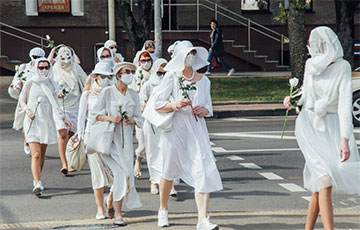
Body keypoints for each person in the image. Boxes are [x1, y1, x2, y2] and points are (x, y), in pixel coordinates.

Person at [283, 26, 360, 230]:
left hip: (331, 127)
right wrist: (293, 99)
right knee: (324, 180)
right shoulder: (310, 65)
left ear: (326, 44)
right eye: (311, 42)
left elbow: (345, 105)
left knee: (321, 185)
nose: (312, 46)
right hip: (308, 126)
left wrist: (345, 139)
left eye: (315, 42)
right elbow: (306, 96)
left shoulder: (342, 67)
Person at [151, 40, 223, 229]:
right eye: (187, 53)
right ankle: (163, 209)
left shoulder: (204, 80)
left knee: (203, 170)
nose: (190, 57)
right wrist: (175, 105)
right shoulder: (172, 78)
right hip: (176, 129)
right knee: (168, 171)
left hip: (196, 129)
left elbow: (209, 107)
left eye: (193, 53)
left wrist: (202, 110)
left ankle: (202, 219)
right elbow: (157, 104)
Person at [92, 62, 143, 226]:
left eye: (132, 72)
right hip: (109, 141)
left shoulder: (134, 95)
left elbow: (140, 118)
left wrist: (132, 121)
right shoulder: (107, 92)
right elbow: (95, 115)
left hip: (126, 141)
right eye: (127, 71)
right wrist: (111, 119)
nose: (130, 74)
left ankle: (111, 199)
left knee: (127, 174)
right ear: (118, 75)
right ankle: (119, 214)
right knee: (120, 175)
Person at [19, 57, 72, 197]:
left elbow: (56, 105)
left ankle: (37, 178)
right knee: (35, 154)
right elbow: (22, 101)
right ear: (36, 68)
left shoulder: (52, 84)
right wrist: (28, 111)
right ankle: (37, 183)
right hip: (32, 121)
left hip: (46, 121)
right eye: (41, 67)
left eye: (46, 67)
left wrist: (63, 118)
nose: (43, 70)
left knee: (42, 154)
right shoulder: (30, 83)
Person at [77, 61, 114, 220]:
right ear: (96, 76)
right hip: (92, 137)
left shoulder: (113, 92)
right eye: (103, 76)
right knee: (98, 175)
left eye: (109, 76)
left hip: (111, 137)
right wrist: (81, 137)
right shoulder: (88, 94)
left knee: (119, 174)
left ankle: (110, 200)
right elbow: (81, 117)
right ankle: (100, 208)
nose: (106, 79)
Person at [52, 46, 87, 175]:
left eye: (68, 58)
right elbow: (49, 85)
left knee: (73, 135)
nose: (65, 61)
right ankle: (64, 163)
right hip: (60, 107)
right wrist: (56, 94)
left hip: (75, 106)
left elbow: (86, 81)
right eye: (62, 58)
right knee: (62, 133)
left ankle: (72, 158)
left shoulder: (76, 68)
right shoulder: (54, 69)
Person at [8, 47, 46, 155]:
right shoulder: (23, 67)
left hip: (40, 99)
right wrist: (17, 85)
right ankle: (27, 141)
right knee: (26, 124)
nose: (37, 59)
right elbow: (15, 80)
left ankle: (34, 142)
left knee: (39, 123)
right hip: (26, 99)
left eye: (40, 57)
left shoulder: (44, 67)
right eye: (35, 57)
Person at [130, 50, 153, 179]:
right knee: (142, 144)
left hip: (155, 114)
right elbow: (132, 95)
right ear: (139, 62)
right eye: (143, 61)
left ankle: (154, 175)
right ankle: (138, 160)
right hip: (140, 114)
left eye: (148, 60)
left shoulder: (156, 75)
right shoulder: (135, 77)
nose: (146, 63)